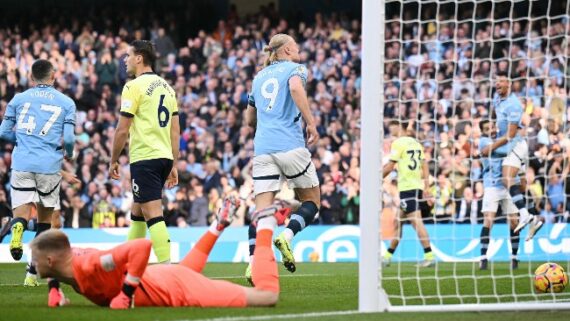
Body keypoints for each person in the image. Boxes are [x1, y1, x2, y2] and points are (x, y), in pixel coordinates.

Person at [31, 197, 290, 309]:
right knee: (184, 271)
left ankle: (265, 224)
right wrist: (54, 289)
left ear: (50, 260)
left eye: (35, 261)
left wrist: (125, 296)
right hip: (164, 277)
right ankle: (218, 225)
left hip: (174, 289)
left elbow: (141, 246)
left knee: (266, 296)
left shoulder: (89, 264)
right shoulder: (66, 259)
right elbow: (58, 254)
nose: (33, 265)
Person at [244, 33, 321, 282]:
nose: (298, 49)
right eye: (296, 46)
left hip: (263, 149)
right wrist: (310, 123)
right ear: (287, 49)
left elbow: (249, 120)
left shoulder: (258, 78)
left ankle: (253, 263)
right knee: (313, 201)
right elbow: (296, 88)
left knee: (261, 212)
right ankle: (286, 236)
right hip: (290, 145)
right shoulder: (295, 69)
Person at [0, 59, 76, 286]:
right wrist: (69, 153)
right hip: (49, 166)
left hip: (22, 162)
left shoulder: (18, 99)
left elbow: (3, 132)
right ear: (52, 76)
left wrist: (23, 139)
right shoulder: (66, 102)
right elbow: (70, 138)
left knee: (20, 215)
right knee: (45, 224)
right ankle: (31, 275)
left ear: (32, 78)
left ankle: (17, 231)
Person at [109, 40, 180, 263]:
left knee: (153, 214)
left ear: (139, 58)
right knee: (137, 211)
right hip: (164, 156)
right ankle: (128, 264)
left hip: (145, 157)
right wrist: (174, 164)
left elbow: (122, 129)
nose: (125, 59)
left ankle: (167, 267)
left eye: (128, 55)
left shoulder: (133, 86)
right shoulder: (168, 88)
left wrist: (113, 159)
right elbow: (175, 130)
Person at [487, 71, 543, 239]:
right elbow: (497, 120)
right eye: (496, 81)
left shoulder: (514, 104)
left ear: (509, 84)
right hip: (511, 146)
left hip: (515, 145)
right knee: (522, 185)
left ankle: (525, 214)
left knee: (506, 179)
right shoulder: (497, 100)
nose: (497, 84)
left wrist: (491, 147)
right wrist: (493, 130)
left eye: (501, 81)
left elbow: (511, 134)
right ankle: (534, 219)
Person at [382, 120, 435, 267]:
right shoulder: (415, 143)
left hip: (407, 188)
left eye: (393, 127)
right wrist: (426, 186)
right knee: (398, 222)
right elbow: (424, 164)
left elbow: (390, 166)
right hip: (416, 186)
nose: (391, 130)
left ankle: (429, 256)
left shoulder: (398, 143)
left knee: (416, 223)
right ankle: (387, 256)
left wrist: (376, 178)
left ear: (400, 127)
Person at [478, 119, 522, 270]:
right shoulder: (483, 142)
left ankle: (514, 257)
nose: (491, 130)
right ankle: (483, 257)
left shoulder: (502, 139)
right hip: (492, 185)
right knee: (488, 221)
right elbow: (501, 149)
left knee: (514, 222)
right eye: (487, 128)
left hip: (508, 184)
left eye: (492, 127)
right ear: (483, 131)